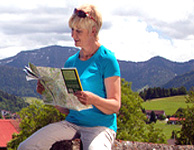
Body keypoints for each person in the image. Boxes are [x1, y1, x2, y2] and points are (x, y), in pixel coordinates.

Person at [18, 4, 121, 150]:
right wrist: (50, 93)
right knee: (26, 147)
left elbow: (115, 106)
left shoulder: (107, 59)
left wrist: (93, 99)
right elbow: (67, 108)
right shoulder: (71, 62)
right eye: (72, 30)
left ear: (93, 31)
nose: (73, 35)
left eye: (78, 31)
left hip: (100, 127)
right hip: (71, 123)